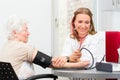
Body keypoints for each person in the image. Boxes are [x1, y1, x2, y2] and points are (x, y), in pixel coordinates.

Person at [0, 15, 90, 80]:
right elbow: (52, 63)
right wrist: (79, 65)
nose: (28, 33)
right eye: (25, 30)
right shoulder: (23, 48)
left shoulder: (6, 46)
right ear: (15, 32)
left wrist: (68, 58)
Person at [61, 7, 104, 80]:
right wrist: (69, 58)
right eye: (80, 22)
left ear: (90, 24)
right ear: (74, 23)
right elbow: (62, 60)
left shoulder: (97, 37)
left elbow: (89, 63)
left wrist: (70, 60)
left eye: (86, 22)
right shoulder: (69, 38)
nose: (83, 26)